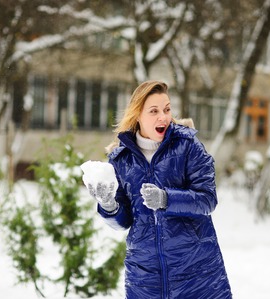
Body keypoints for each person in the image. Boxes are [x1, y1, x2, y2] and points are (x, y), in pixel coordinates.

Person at [86, 80, 233, 298]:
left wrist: (166, 199)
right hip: (145, 279)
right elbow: (124, 221)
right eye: (153, 111)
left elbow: (207, 199)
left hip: (196, 274)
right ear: (138, 115)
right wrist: (109, 206)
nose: (162, 117)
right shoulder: (121, 159)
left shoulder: (188, 146)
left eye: (166, 109)